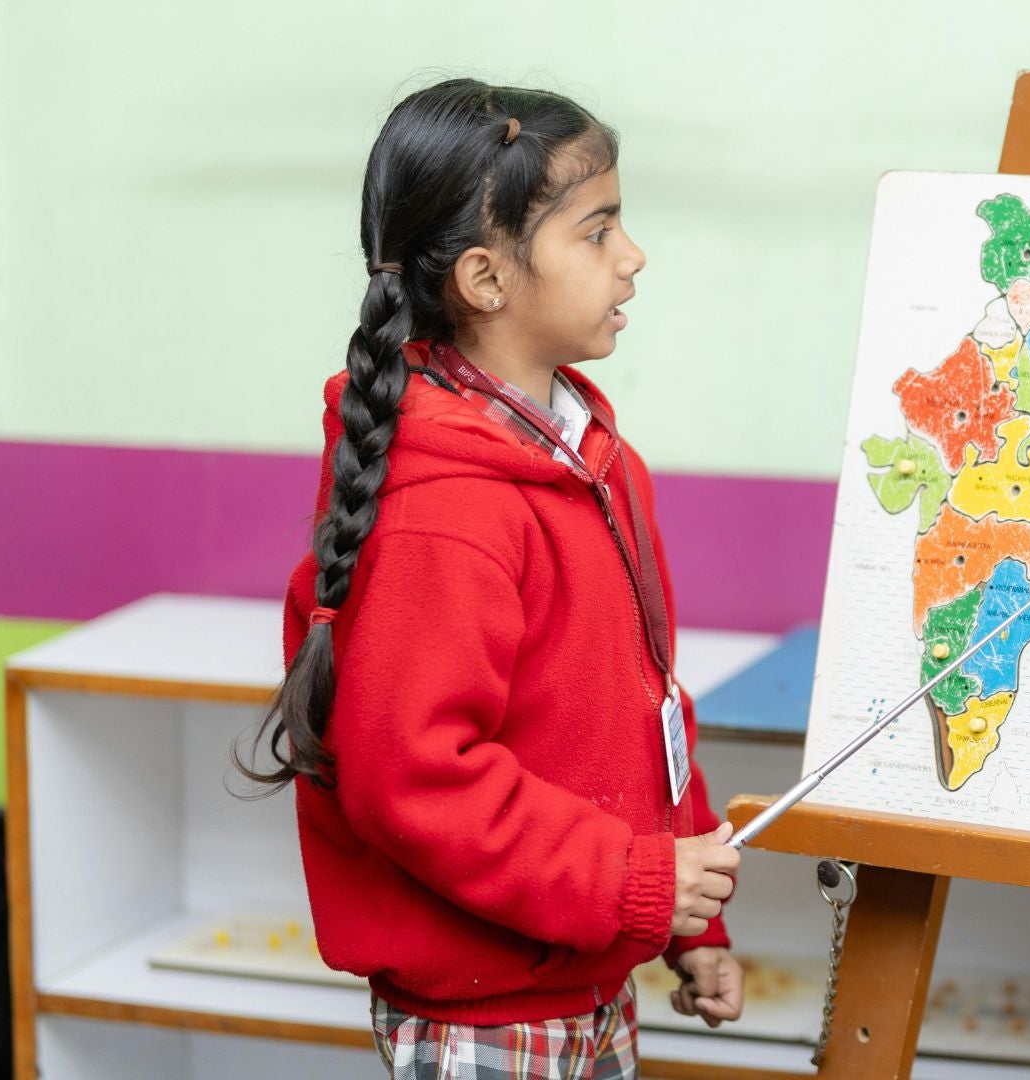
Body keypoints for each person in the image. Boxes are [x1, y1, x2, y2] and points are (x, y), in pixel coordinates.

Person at [236, 77, 743, 1079]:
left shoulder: (599, 462)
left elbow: (650, 717)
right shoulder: (445, 511)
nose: (633, 258)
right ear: (486, 278)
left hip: (593, 973)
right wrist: (638, 881)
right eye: (597, 233)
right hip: (487, 1017)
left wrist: (687, 922)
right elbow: (418, 781)